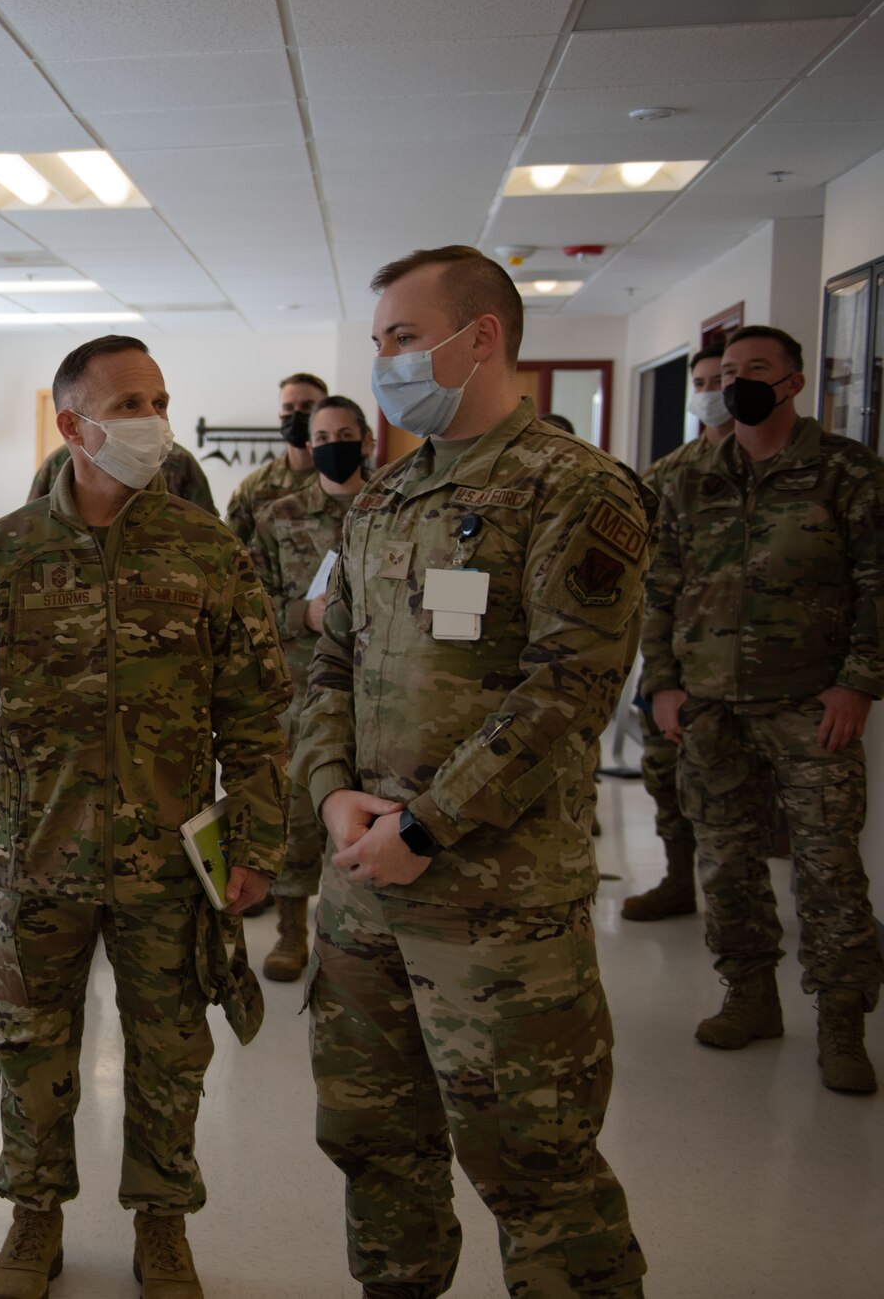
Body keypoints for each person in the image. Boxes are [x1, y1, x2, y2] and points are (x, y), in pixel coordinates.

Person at [0, 333, 291, 1299]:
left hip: (168, 855)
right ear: (73, 426)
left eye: (159, 399)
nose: (152, 421)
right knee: (30, 1046)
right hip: (38, 854)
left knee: (169, 1049)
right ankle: (35, 1219)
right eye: (128, 405)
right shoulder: (8, 551)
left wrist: (259, 841)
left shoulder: (209, 552)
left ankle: (163, 1227)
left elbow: (257, 709)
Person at [293, 244, 649, 1297]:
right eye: (378, 345)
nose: (384, 364)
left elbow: (564, 693)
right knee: (371, 1140)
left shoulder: (574, 488)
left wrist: (424, 828)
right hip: (360, 892)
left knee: (533, 1165)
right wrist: (328, 792)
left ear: (479, 336)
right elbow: (326, 663)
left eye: (402, 339)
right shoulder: (383, 496)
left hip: (494, 910)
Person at [642, 324, 883, 1094]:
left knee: (829, 867)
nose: (734, 384)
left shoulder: (847, 473)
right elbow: (659, 585)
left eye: (756, 370)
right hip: (709, 704)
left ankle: (843, 1021)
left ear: (794, 382)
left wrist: (859, 682)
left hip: (811, 705)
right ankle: (749, 994)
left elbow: (879, 586)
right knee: (727, 860)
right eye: (727, 372)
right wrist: (662, 682)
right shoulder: (689, 477)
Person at [246, 395, 373, 982]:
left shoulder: (394, 507)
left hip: (382, 698)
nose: (332, 443)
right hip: (303, 695)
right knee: (297, 820)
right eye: (321, 435)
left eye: (345, 433)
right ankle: (292, 934)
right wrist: (303, 615)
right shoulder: (280, 516)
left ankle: (357, 939)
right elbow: (248, 607)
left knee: (370, 814)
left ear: (366, 441)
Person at [622, 345, 734, 921]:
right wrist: (661, 677)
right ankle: (677, 879)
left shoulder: (828, 470)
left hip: (783, 677)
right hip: (680, 667)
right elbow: (649, 580)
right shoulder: (666, 477)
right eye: (706, 380)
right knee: (666, 779)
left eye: (726, 378)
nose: (714, 389)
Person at [225, 371, 328, 546]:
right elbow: (230, 552)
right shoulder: (253, 487)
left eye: (307, 406)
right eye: (288, 408)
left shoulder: (341, 480)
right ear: (280, 415)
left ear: (324, 412)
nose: (296, 415)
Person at [27, 437, 214, 512]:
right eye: (128, 405)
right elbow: (34, 525)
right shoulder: (59, 462)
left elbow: (205, 529)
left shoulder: (178, 461)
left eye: (159, 404)